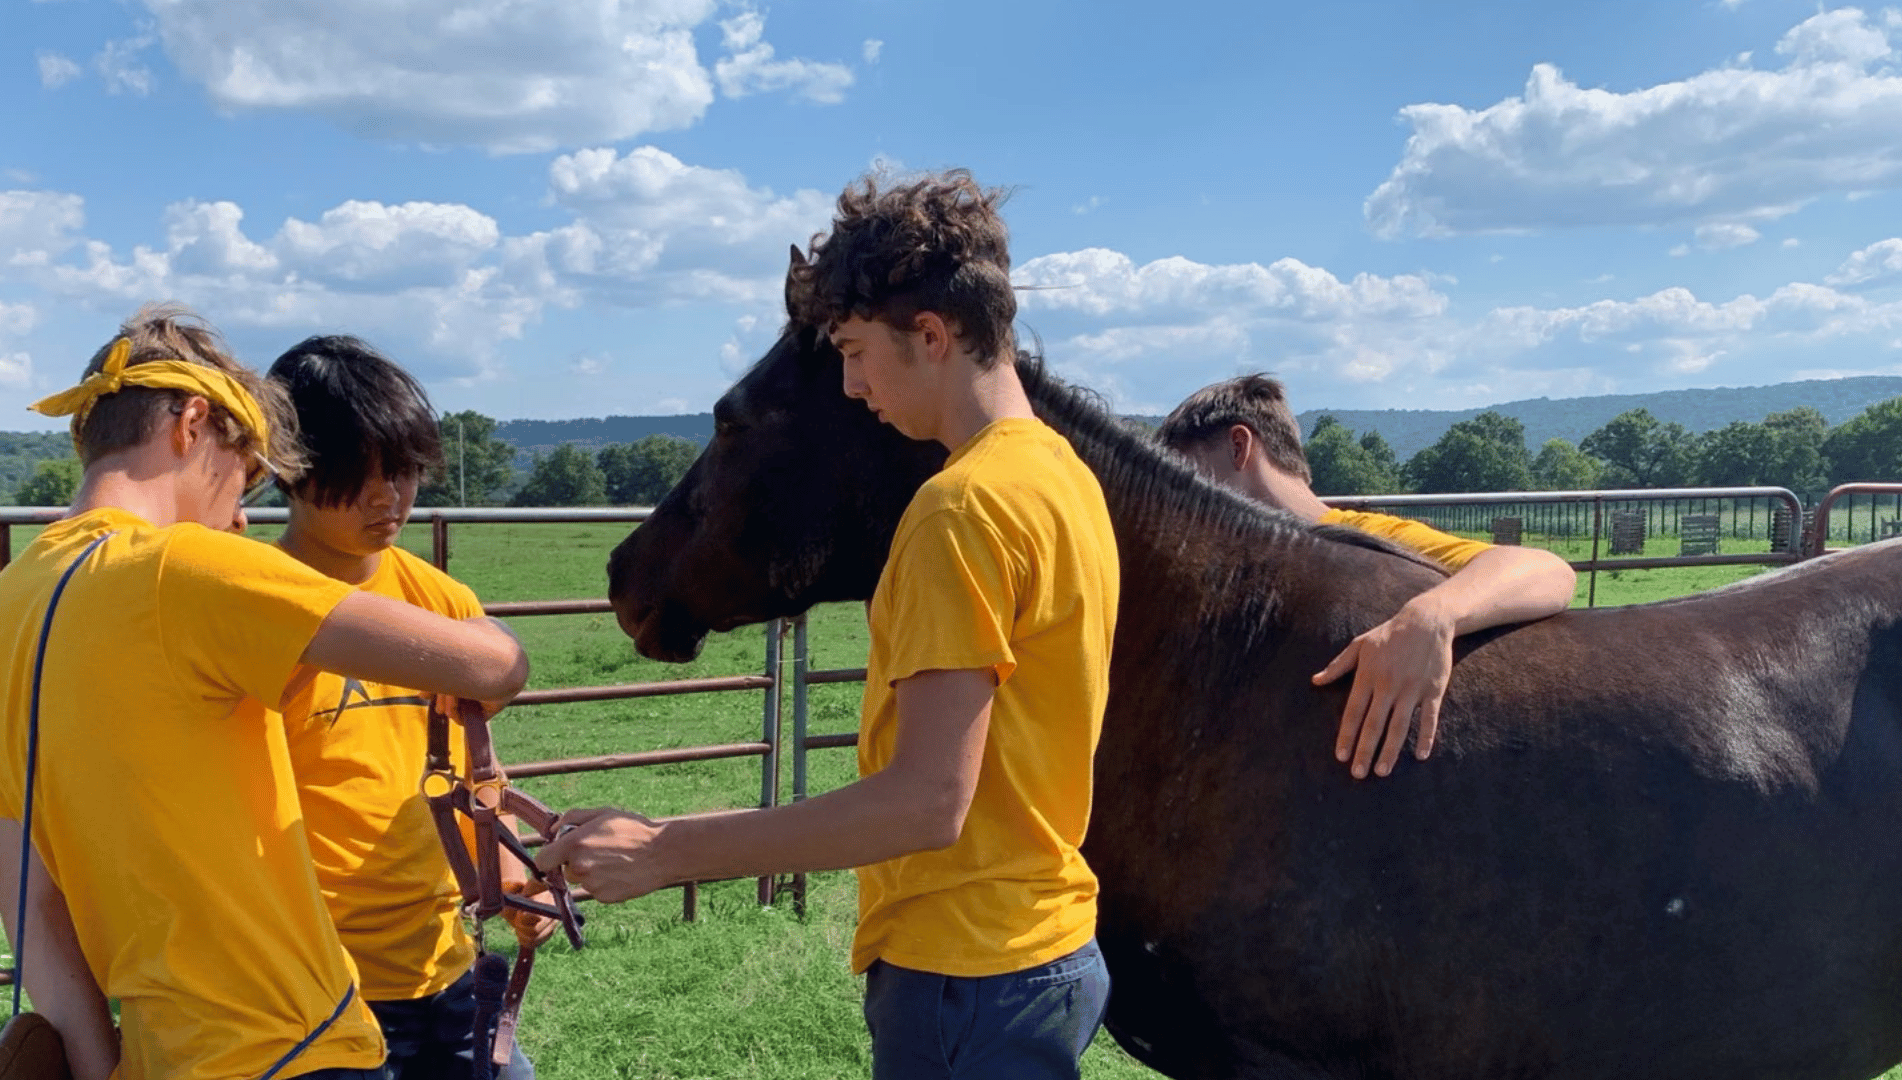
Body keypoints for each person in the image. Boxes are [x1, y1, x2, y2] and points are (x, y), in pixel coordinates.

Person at [538, 171, 1122, 1079]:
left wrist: (666, 849)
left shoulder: (957, 510)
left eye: (854, 351)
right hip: (1049, 950)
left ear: (930, 337)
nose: (849, 385)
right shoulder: (1060, 477)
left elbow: (928, 802)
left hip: (962, 972)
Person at [0, 303, 528, 1080]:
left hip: (160, 1050)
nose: (241, 511)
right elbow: (499, 668)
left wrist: (91, 1055)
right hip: (290, 1039)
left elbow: (28, 891)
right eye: (244, 470)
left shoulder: (14, 597)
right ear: (192, 423)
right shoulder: (188, 568)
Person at [264, 336, 547, 1080]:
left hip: (447, 964)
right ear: (286, 470)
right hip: (315, 987)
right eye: (355, 476)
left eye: (403, 471)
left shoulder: (440, 602)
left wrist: (510, 878)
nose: (387, 498)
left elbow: (476, 765)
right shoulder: (249, 605)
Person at [1157, 374, 1576, 780]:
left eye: (1187, 477)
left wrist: (1432, 614)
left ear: (1238, 446)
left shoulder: (1371, 538)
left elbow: (1549, 571)